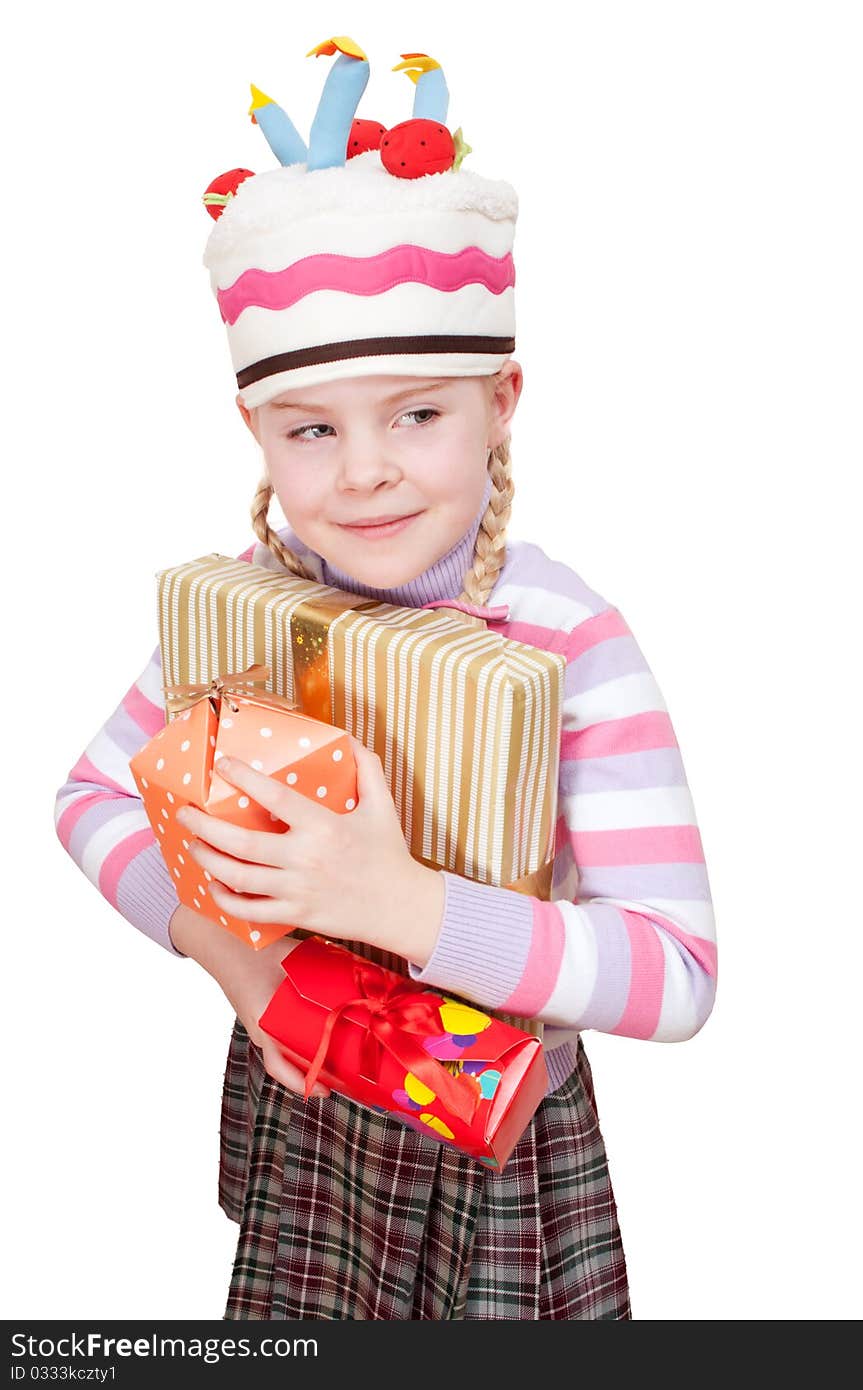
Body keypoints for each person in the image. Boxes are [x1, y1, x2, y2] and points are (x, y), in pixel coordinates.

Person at [54, 37, 717, 1320]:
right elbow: (90, 798)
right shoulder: (245, 602)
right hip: (306, 1087)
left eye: (415, 413)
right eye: (313, 428)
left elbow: (677, 971)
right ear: (259, 434)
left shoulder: (568, 643)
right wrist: (236, 963)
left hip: (488, 1141)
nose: (361, 472)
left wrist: (402, 903)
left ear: (500, 400)